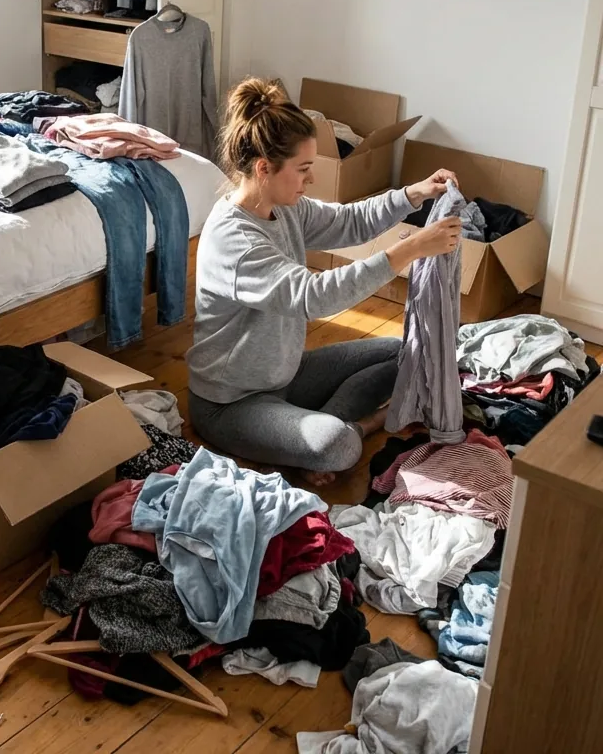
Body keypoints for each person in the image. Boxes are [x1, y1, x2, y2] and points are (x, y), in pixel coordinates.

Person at [187, 79, 461, 487]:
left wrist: (414, 194)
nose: (310, 179)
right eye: (303, 169)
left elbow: (347, 221)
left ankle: (312, 428)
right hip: (230, 404)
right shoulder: (235, 241)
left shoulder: (283, 208)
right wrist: (408, 251)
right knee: (338, 447)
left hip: (285, 375)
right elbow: (315, 296)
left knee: (406, 349)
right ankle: (356, 426)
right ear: (264, 169)